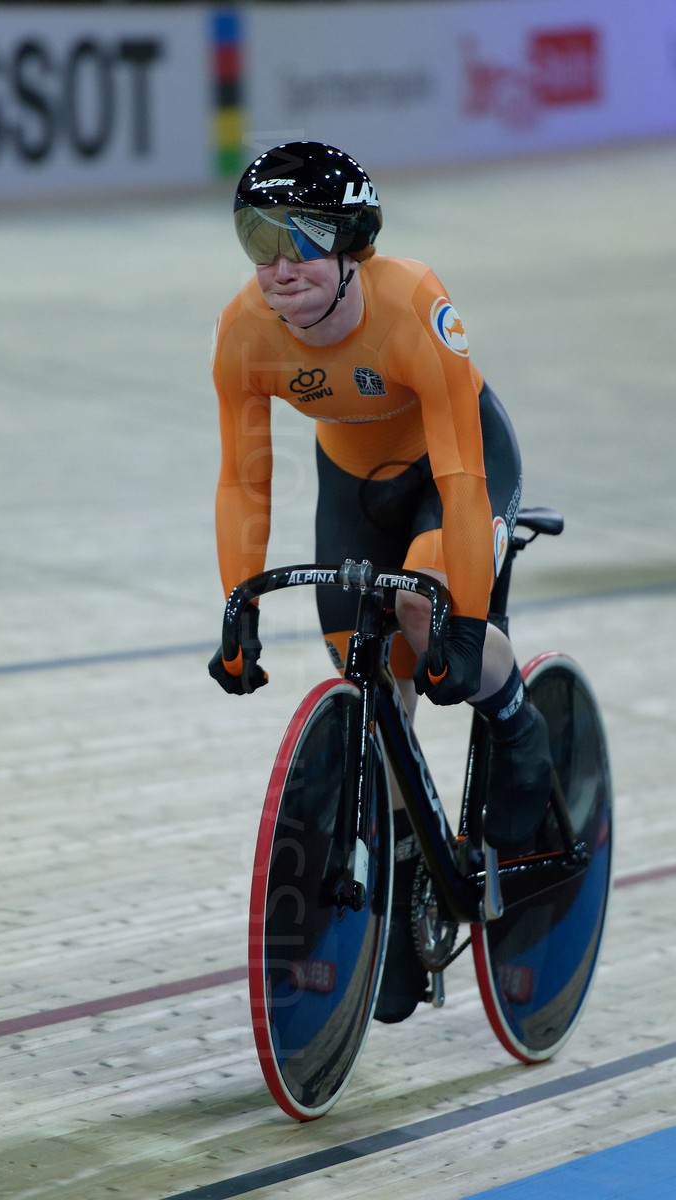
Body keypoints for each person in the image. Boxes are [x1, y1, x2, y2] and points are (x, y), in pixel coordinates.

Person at [207, 141, 552, 1023]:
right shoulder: (243, 330)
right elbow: (243, 479)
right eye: (258, 239)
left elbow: (462, 476)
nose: (279, 266)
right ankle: (404, 869)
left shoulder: (411, 304)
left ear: (353, 244)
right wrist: (238, 603)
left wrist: (461, 622)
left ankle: (517, 723)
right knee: (368, 674)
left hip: (453, 471)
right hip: (354, 491)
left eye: (301, 240)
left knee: (421, 612)